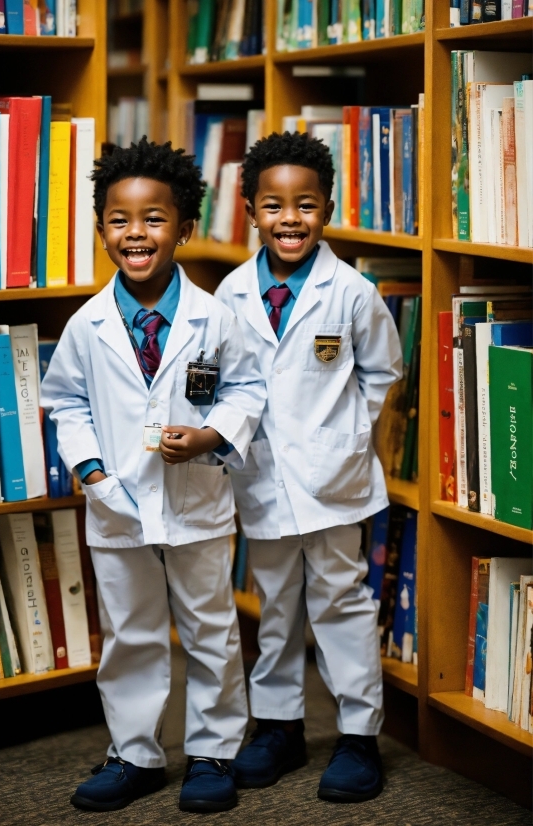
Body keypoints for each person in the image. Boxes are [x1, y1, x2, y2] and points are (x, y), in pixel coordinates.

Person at [40, 138, 266, 814]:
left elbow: (248, 389)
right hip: (117, 504)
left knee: (210, 629)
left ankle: (212, 754)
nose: (135, 233)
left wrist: (209, 435)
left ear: (185, 227)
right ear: (102, 228)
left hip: (195, 501)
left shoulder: (215, 318)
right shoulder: (86, 325)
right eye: (119, 219)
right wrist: (92, 470)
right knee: (131, 632)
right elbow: (65, 402)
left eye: (154, 218)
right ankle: (134, 753)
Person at [215, 131, 403, 803]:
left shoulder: (350, 291)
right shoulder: (231, 294)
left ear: (326, 208)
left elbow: (383, 371)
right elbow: (218, 377)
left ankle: (358, 736)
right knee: (275, 608)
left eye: (305, 204)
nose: (289, 218)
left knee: (341, 603)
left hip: (334, 480)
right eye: (274, 204)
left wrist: (349, 434)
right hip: (261, 479)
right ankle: (279, 729)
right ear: (250, 210)